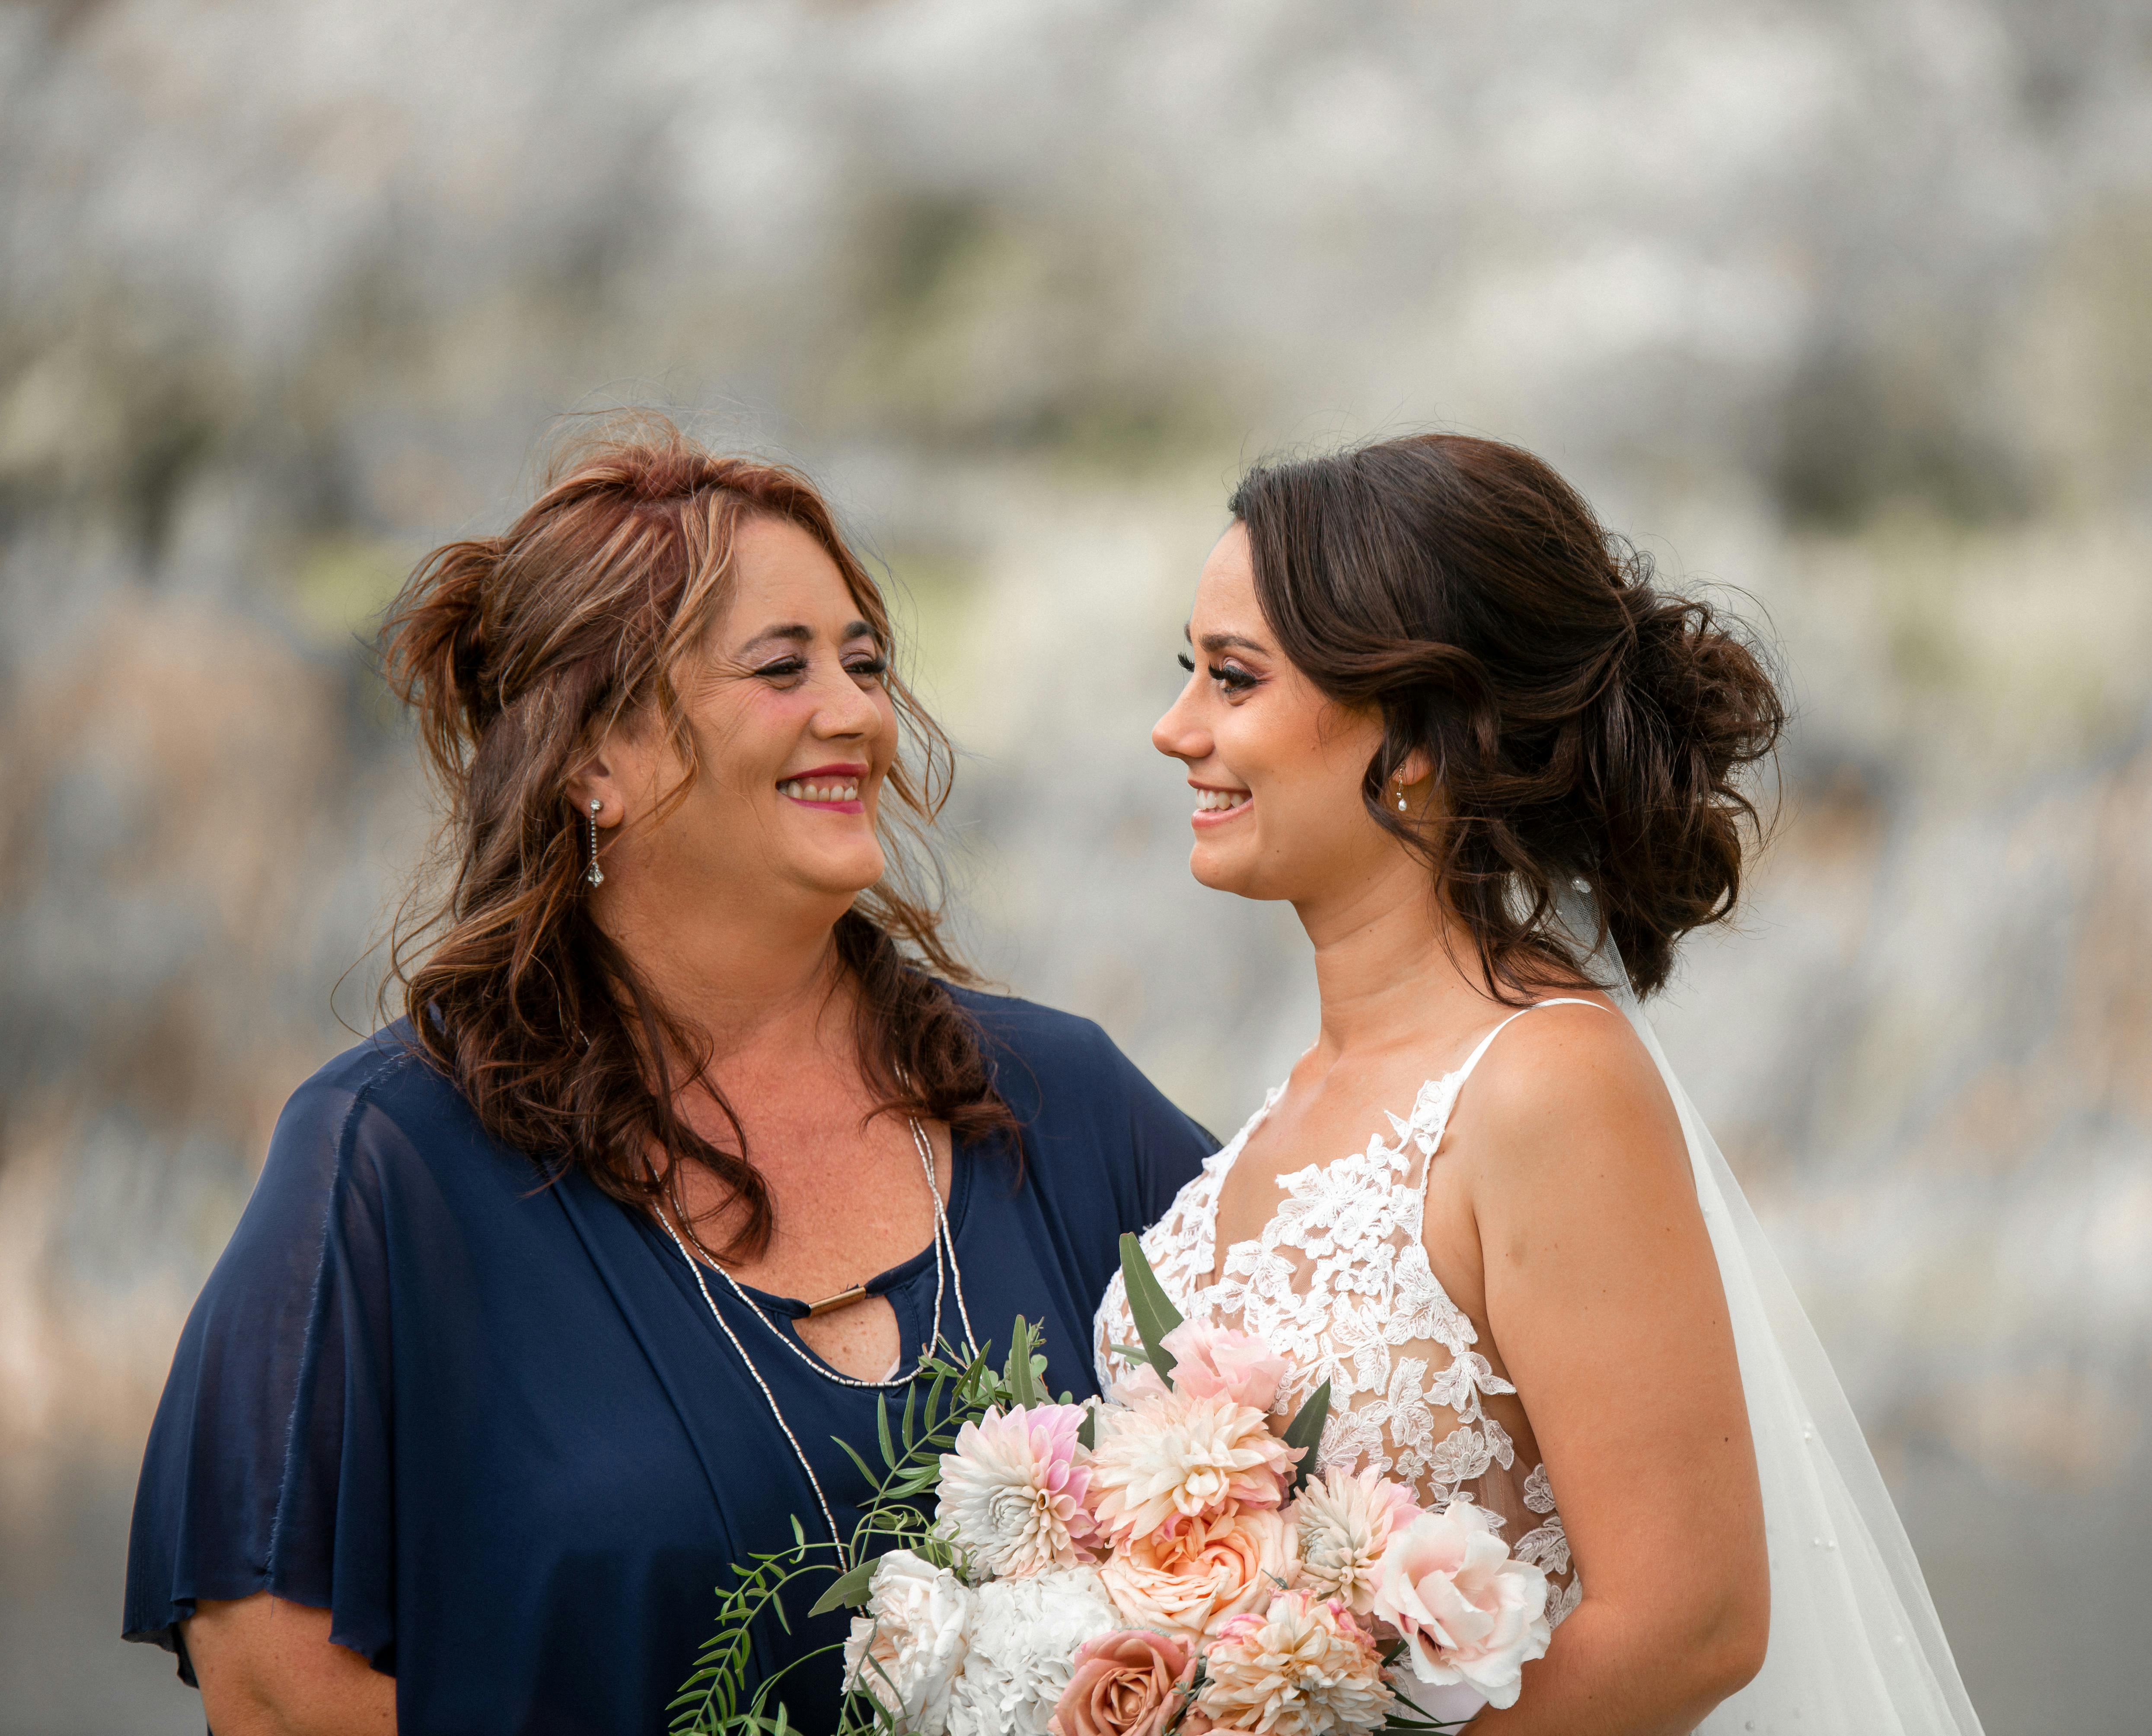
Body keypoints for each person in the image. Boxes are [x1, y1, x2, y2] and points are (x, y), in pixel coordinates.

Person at [123, 422, 1215, 1735]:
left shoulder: (1064, 1103)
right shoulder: (388, 1162)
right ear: (596, 759)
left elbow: (1327, 1455)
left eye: (865, 664)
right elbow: (276, 1687)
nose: (856, 712)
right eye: (782, 668)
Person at [1097, 433, 1985, 1733]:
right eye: (1191, 676)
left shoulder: (1542, 1086)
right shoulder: (1282, 1107)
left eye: (1233, 681)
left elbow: (1692, 1625)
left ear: (1414, 737)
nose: (1176, 730)